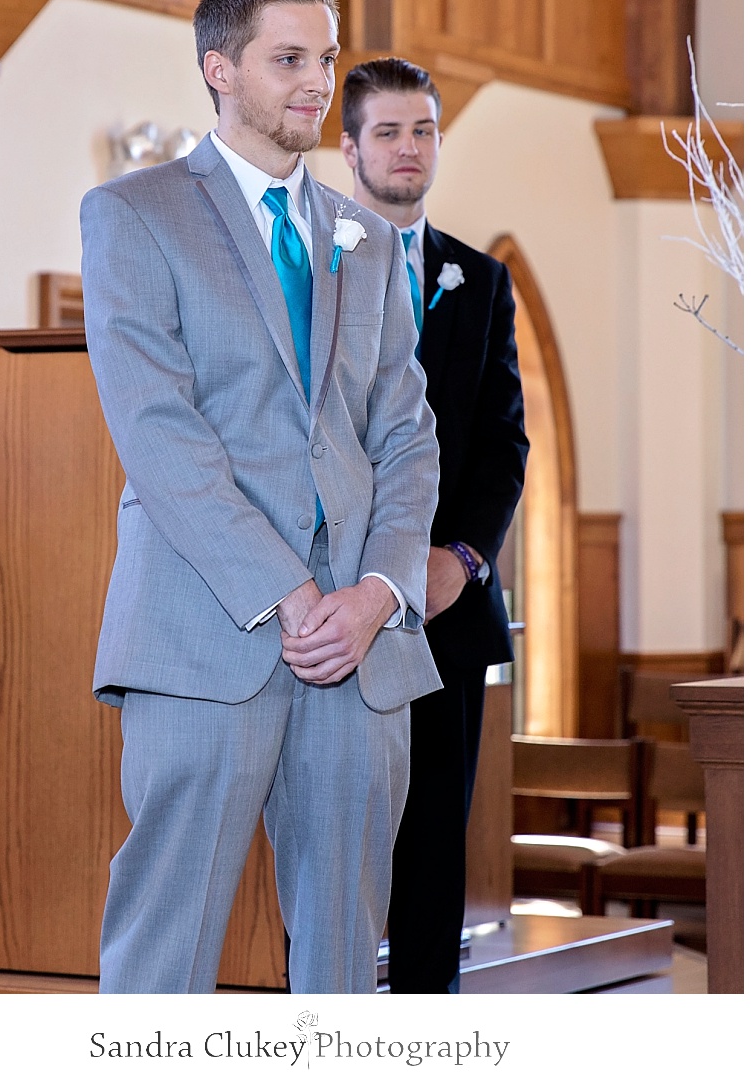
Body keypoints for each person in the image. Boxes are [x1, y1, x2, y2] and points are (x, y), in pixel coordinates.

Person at [80, 0, 441, 994]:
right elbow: (159, 432)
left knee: (341, 970)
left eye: (326, 57)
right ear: (219, 68)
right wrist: (289, 590)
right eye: (289, 58)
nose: (317, 82)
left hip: (361, 647)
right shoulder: (133, 213)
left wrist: (378, 591)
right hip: (208, 631)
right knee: (168, 954)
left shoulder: (367, 238)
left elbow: (409, 438)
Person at [339, 57, 529, 994]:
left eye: (423, 131)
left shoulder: (480, 280)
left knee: (432, 842)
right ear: (349, 148)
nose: (408, 148)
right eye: (388, 131)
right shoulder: (311, 259)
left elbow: (502, 444)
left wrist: (461, 558)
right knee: (331, 834)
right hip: (330, 604)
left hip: (445, 609)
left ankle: (423, 1025)